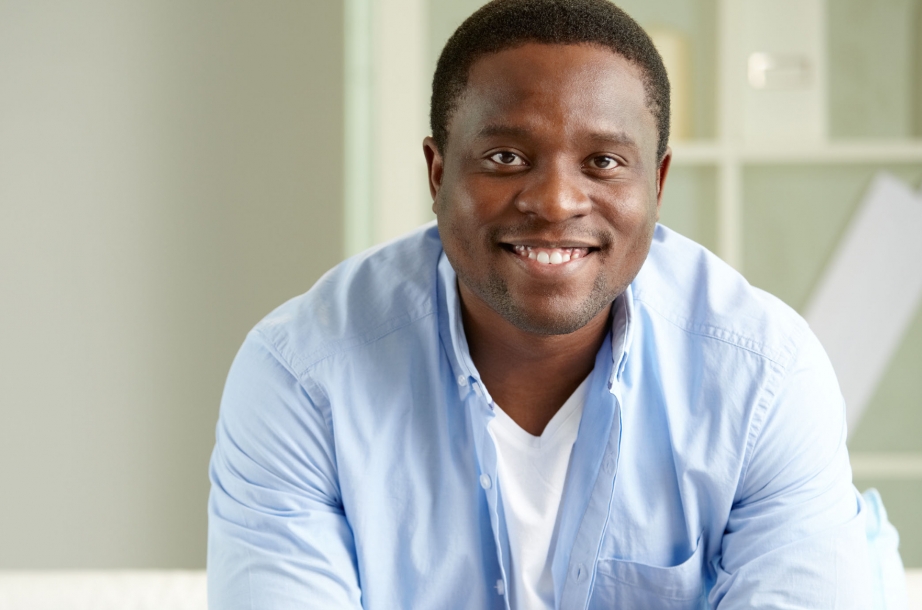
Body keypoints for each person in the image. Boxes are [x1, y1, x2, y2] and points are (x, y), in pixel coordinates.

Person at [207, 0, 870, 608]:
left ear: (658, 181)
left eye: (604, 162)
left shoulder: (763, 375)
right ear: (438, 175)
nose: (555, 202)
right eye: (505, 156)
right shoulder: (302, 376)